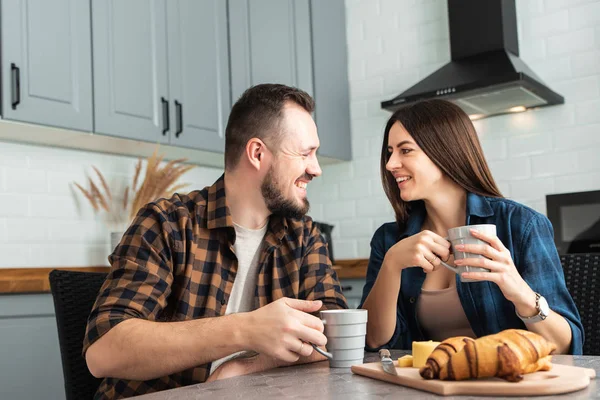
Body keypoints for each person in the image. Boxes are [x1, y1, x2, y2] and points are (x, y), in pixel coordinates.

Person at [83, 83, 348, 399]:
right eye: (306, 153)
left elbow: (335, 334)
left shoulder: (303, 236)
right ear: (257, 153)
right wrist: (246, 330)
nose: (316, 169)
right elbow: (103, 353)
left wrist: (243, 368)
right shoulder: (168, 223)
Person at [359, 99, 583, 355]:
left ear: (444, 151)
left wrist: (520, 292)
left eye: (405, 150)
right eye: (390, 152)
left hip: (504, 388)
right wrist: (391, 264)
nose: (390, 164)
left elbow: (567, 347)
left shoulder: (521, 225)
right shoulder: (389, 239)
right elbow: (373, 341)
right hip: (426, 387)